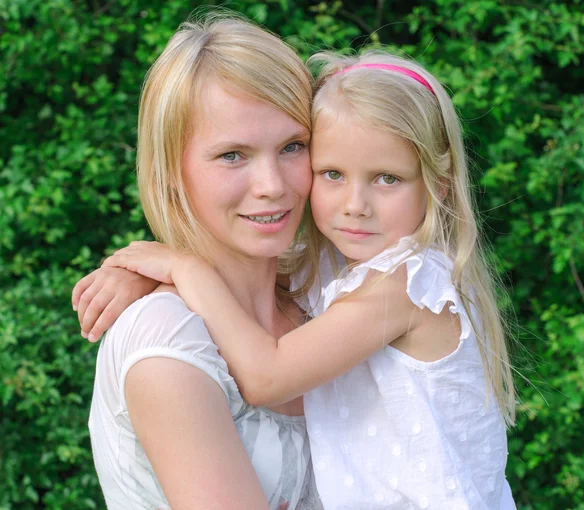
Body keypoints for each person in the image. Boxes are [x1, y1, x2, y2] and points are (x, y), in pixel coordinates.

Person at [77, 53, 517, 508]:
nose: (355, 204)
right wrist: (136, 276)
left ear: (437, 185)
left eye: (291, 147)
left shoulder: (405, 283)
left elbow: (267, 375)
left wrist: (184, 270)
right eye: (332, 174)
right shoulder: (329, 274)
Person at [76, 12, 327, 510]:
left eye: (292, 146)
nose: (273, 185)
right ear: (171, 170)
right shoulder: (167, 344)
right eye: (232, 155)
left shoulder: (321, 290)